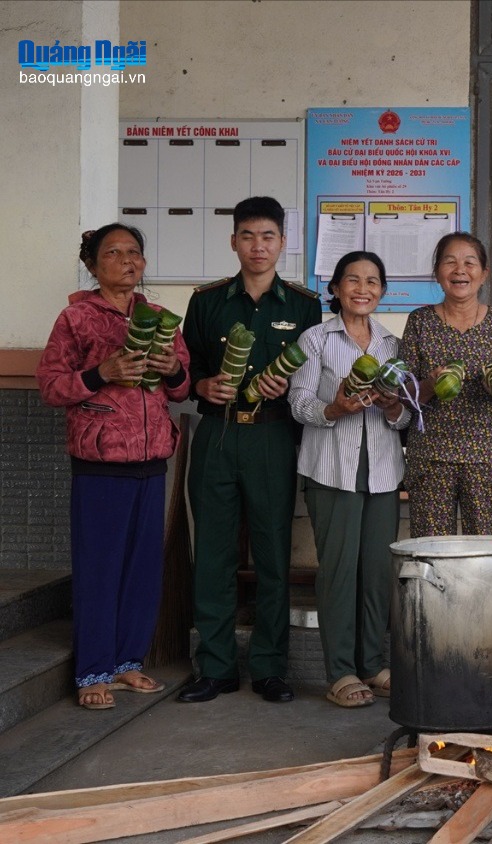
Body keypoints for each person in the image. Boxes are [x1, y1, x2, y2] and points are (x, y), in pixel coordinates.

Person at [37, 224, 190, 710]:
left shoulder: (161, 318)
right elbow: (51, 387)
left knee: (143, 569)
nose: (127, 260)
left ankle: (127, 663)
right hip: (100, 462)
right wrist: (101, 373)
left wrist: (173, 370)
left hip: (151, 460)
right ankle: (93, 670)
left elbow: (182, 389)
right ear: (93, 263)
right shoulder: (76, 319)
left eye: (134, 252)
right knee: (99, 570)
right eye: (114, 252)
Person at [179, 196, 321, 704]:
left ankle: (269, 668)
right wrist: (203, 385)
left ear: (283, 242)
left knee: (272, 554)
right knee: (213, 554)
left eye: (268, 237)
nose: (258, 247)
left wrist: (291, 388)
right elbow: (184, 368)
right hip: (217, 435)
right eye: (248, 236)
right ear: (233, 241)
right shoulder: (207, 301)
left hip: (273, 437)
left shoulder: (304, 305)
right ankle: (214, 668)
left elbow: (314, 373)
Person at [288, 251, 410, 707]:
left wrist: (391, 406)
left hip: (381, 472)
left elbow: (404, 418)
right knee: (339, 573)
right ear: (335, 288)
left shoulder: (392, 346)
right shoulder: (316, 339)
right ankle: (339, 671)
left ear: (382, 290)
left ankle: (373, 663)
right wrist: (335, 408)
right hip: (330, 469)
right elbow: (297, 401)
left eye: (373, 281)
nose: (363, 289)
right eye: (352, 280)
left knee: (377, 573)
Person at [399, 232, 492, 537]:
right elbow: (403, 396)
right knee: (430, 550)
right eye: (450, 262)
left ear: (484, 274)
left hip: (487, 456)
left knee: (488, 551)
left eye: (469, 262)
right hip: (431, 457)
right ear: (437, 273)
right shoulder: (419, 322)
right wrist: (431, 384)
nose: (460, 270)